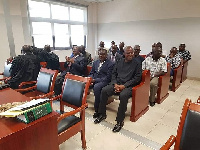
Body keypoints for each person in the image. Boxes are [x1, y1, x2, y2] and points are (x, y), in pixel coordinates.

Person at [94, 46, 142, 132]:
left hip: (129, 86)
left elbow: (137, 78)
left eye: (132, 53)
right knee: (104, 90)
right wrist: (115, 84)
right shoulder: (119, 61)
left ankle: (119, 121)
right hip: (117, 83)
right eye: (128, 53)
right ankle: (102, 114)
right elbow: (114, 74)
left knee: (123, 95)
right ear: (124, 53)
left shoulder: (137, 63)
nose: (130, 54)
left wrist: (124, 86)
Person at [88, 49, 114, 117]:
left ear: (106, 55)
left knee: (97, 87)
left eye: (103, 54)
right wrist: (90, 79)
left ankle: (97, 109)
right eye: (100, 54)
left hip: (104, 81)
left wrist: (95, 80)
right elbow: (91, 73)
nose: (101, 56)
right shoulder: (95, 62)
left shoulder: (111, 64)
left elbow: (108, 77)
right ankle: (80, 105)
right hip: (94, 80)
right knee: (83, 83)